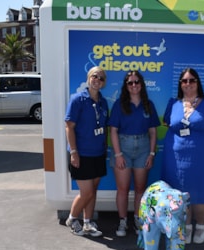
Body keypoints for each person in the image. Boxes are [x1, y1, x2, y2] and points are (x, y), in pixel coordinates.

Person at [161, 68, 204, 244]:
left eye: (192, 80)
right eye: (184, 81)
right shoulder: (173, 103)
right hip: (176, 159)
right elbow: (169, 124)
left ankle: (201, 226)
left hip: (202, 159)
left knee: (200, 193)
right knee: (181, 194)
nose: (188, 84)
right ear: (180, 84)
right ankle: (187, 226)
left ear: (198, 83)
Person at [109, 71, 160, 237]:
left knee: (140, 188)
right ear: (126, 86)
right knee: (123, 189)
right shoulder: (119, 104)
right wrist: (118, 155)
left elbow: (153, 132)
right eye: (130, 83)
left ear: (142, 84)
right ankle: (123, 221)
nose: (134, 85)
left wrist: (151, 153)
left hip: (144, 148)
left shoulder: (148, 104)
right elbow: (113, 131)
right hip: (123, 147)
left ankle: (138, 219)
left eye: (137, 82)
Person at [64, 66, 109, 237]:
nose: (97, 80)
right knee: (87, 192)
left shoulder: (103, 102)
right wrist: (74, 152)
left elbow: (103, 126)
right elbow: (69, 127)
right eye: (95, 76)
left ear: (104, 82)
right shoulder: (77, 100)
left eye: (101, 78)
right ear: (89, 78)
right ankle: (72, 218)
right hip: (81, 154)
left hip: (98, 153)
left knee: (93, 191)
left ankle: (88, 222)